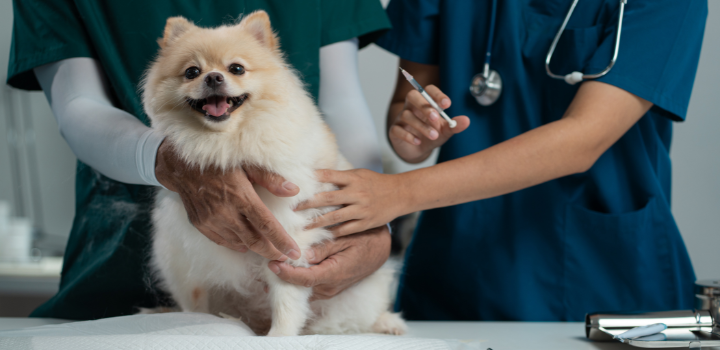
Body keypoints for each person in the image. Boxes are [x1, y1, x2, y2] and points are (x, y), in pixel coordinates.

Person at [275, 0, 708, 321]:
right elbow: (408, 113)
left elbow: (584, 139)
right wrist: (414, 130)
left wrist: (399, 192)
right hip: (461, 263)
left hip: (602, 274)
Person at [7, 0, 392, 320]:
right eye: (194, 72)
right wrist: (167, 161)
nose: (213, 78)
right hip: (120, 270)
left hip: (317, 286)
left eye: (234, 69)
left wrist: (371, 221)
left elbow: (342, 106)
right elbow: (77, 104)